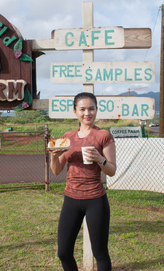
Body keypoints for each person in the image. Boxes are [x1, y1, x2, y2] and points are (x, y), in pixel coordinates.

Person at [50, 92, 117, 271]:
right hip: (71, 199)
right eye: (82, 109)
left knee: (100, 252)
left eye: (91, 108)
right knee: (63, 252)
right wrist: (54, 156)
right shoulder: (68, 136)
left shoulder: (104, 136)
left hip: (95, 199)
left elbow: (111, 171)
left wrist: (100, 159)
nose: (87, 113)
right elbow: (56, 170)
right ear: (75, 111)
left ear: (96, 110)